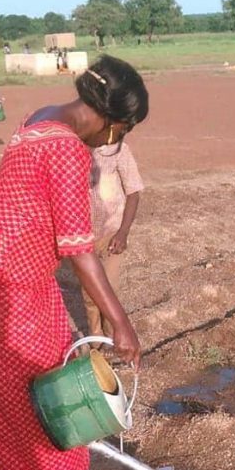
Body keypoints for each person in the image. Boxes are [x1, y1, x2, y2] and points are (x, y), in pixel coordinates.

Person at [0, 56, 148, 470]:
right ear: (114, 121)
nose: (117, 140)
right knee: (36, 380)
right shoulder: (68, 149)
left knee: (28, 366)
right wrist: (120, 323)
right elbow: (78, 249)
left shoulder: (42, 118)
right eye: (124, 130)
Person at [79, 140, 143, 339]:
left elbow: (133, 192)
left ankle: (110, 335)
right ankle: (96, 336)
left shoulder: (118, 149)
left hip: (112, 232)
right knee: (90, 292)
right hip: (82, 237)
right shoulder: (72, 150)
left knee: (110, 288)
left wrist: (123, 232)